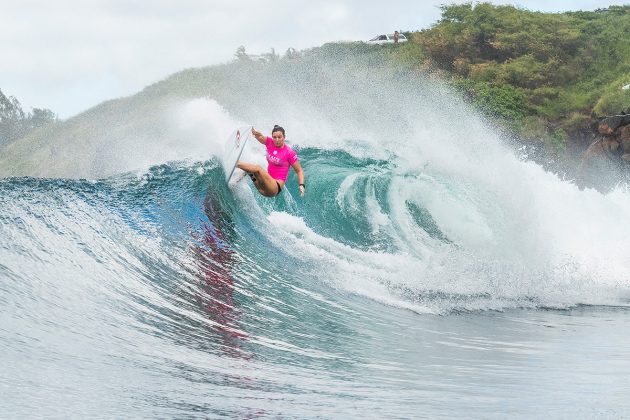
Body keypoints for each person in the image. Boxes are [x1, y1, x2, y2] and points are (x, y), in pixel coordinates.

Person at [237, 125, 305, 198]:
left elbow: (299, 171)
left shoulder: (289, 153)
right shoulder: (270, 142)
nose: (277, 140)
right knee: (250, 170)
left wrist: (302, 185)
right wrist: (254, 132)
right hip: (262, 187)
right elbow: (260, 137)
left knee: (257, 168)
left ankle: (236, 163)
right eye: (274, 137)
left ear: (284, 137)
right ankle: (235, 180)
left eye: (279, 137)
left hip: (274, 188)